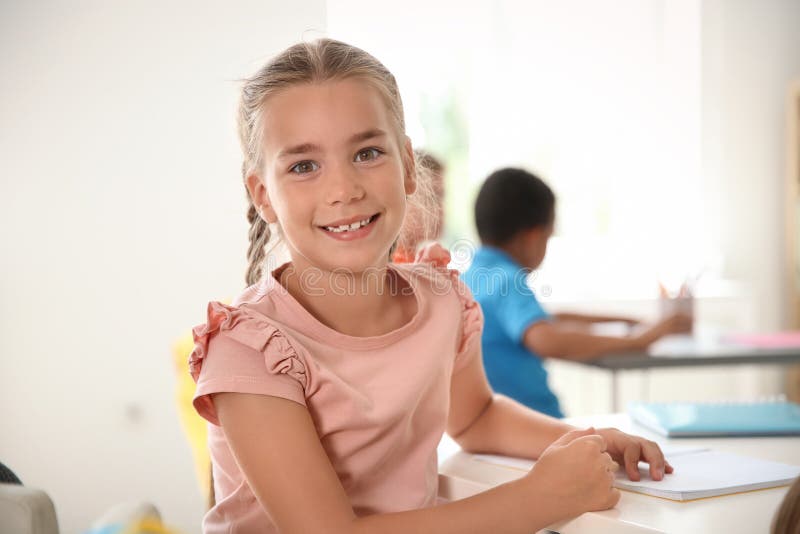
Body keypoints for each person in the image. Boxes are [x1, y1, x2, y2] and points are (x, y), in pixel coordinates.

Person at [188, 39, 673, 534]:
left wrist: (587, 440)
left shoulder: (441, 300)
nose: (344, 190)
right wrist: (538, 498)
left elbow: (478, 416)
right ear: (264, 195)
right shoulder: (248, 350)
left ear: (406, 166)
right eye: (304, 166)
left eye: (367, 153)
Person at [463, 167, 692, 417]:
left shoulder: (474, 276)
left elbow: (545, 319)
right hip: (537, 423)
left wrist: (625, 321)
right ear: (533, 237)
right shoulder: (507, 281)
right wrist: (638, 341)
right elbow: (546, 339)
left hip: (500, 425)